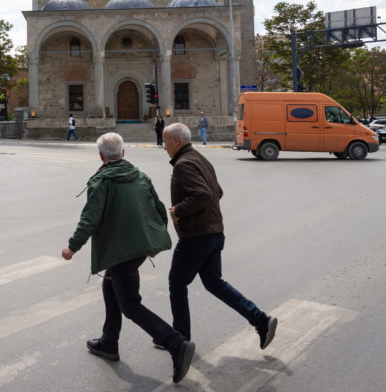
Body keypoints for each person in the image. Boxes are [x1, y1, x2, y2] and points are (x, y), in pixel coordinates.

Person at [62, 132, 196, 384]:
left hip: (120, 251)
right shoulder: (141, 177)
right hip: (136, 251)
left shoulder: (101, 182)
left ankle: (176, 344)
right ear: (123, 153)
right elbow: (159, 210)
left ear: (101, 156)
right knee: (109, 285)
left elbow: (89, 220)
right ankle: (109, 341)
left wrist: (71, 247)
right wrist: (154, 242)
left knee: (131, 306)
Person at [163, 123, 277, 350]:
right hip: (214, 232)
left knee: (176, 283)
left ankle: (180, 339)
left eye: (166, 142)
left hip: (197, 235)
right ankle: (260, 320)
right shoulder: (199, 158)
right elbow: (218, 192)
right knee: (214, 283)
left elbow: (203, 194)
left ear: (176, 141)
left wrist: (178, 210)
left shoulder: (184, 164)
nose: (165, 147)